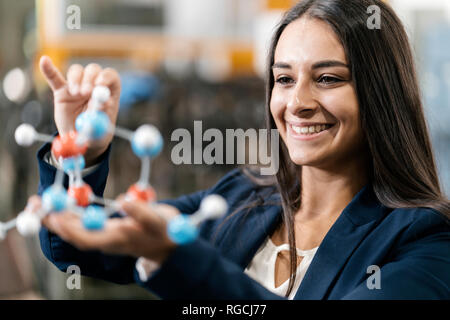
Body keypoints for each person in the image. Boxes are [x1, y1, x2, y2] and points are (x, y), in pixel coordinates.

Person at [30, 0, 449, 299]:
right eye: (284, 79)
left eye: (327, 78)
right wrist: (80, 153)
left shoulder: (427, 243)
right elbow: (74, 251)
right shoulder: (240, 198)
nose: (297, 102)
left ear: (381, 94)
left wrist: (178, 258)